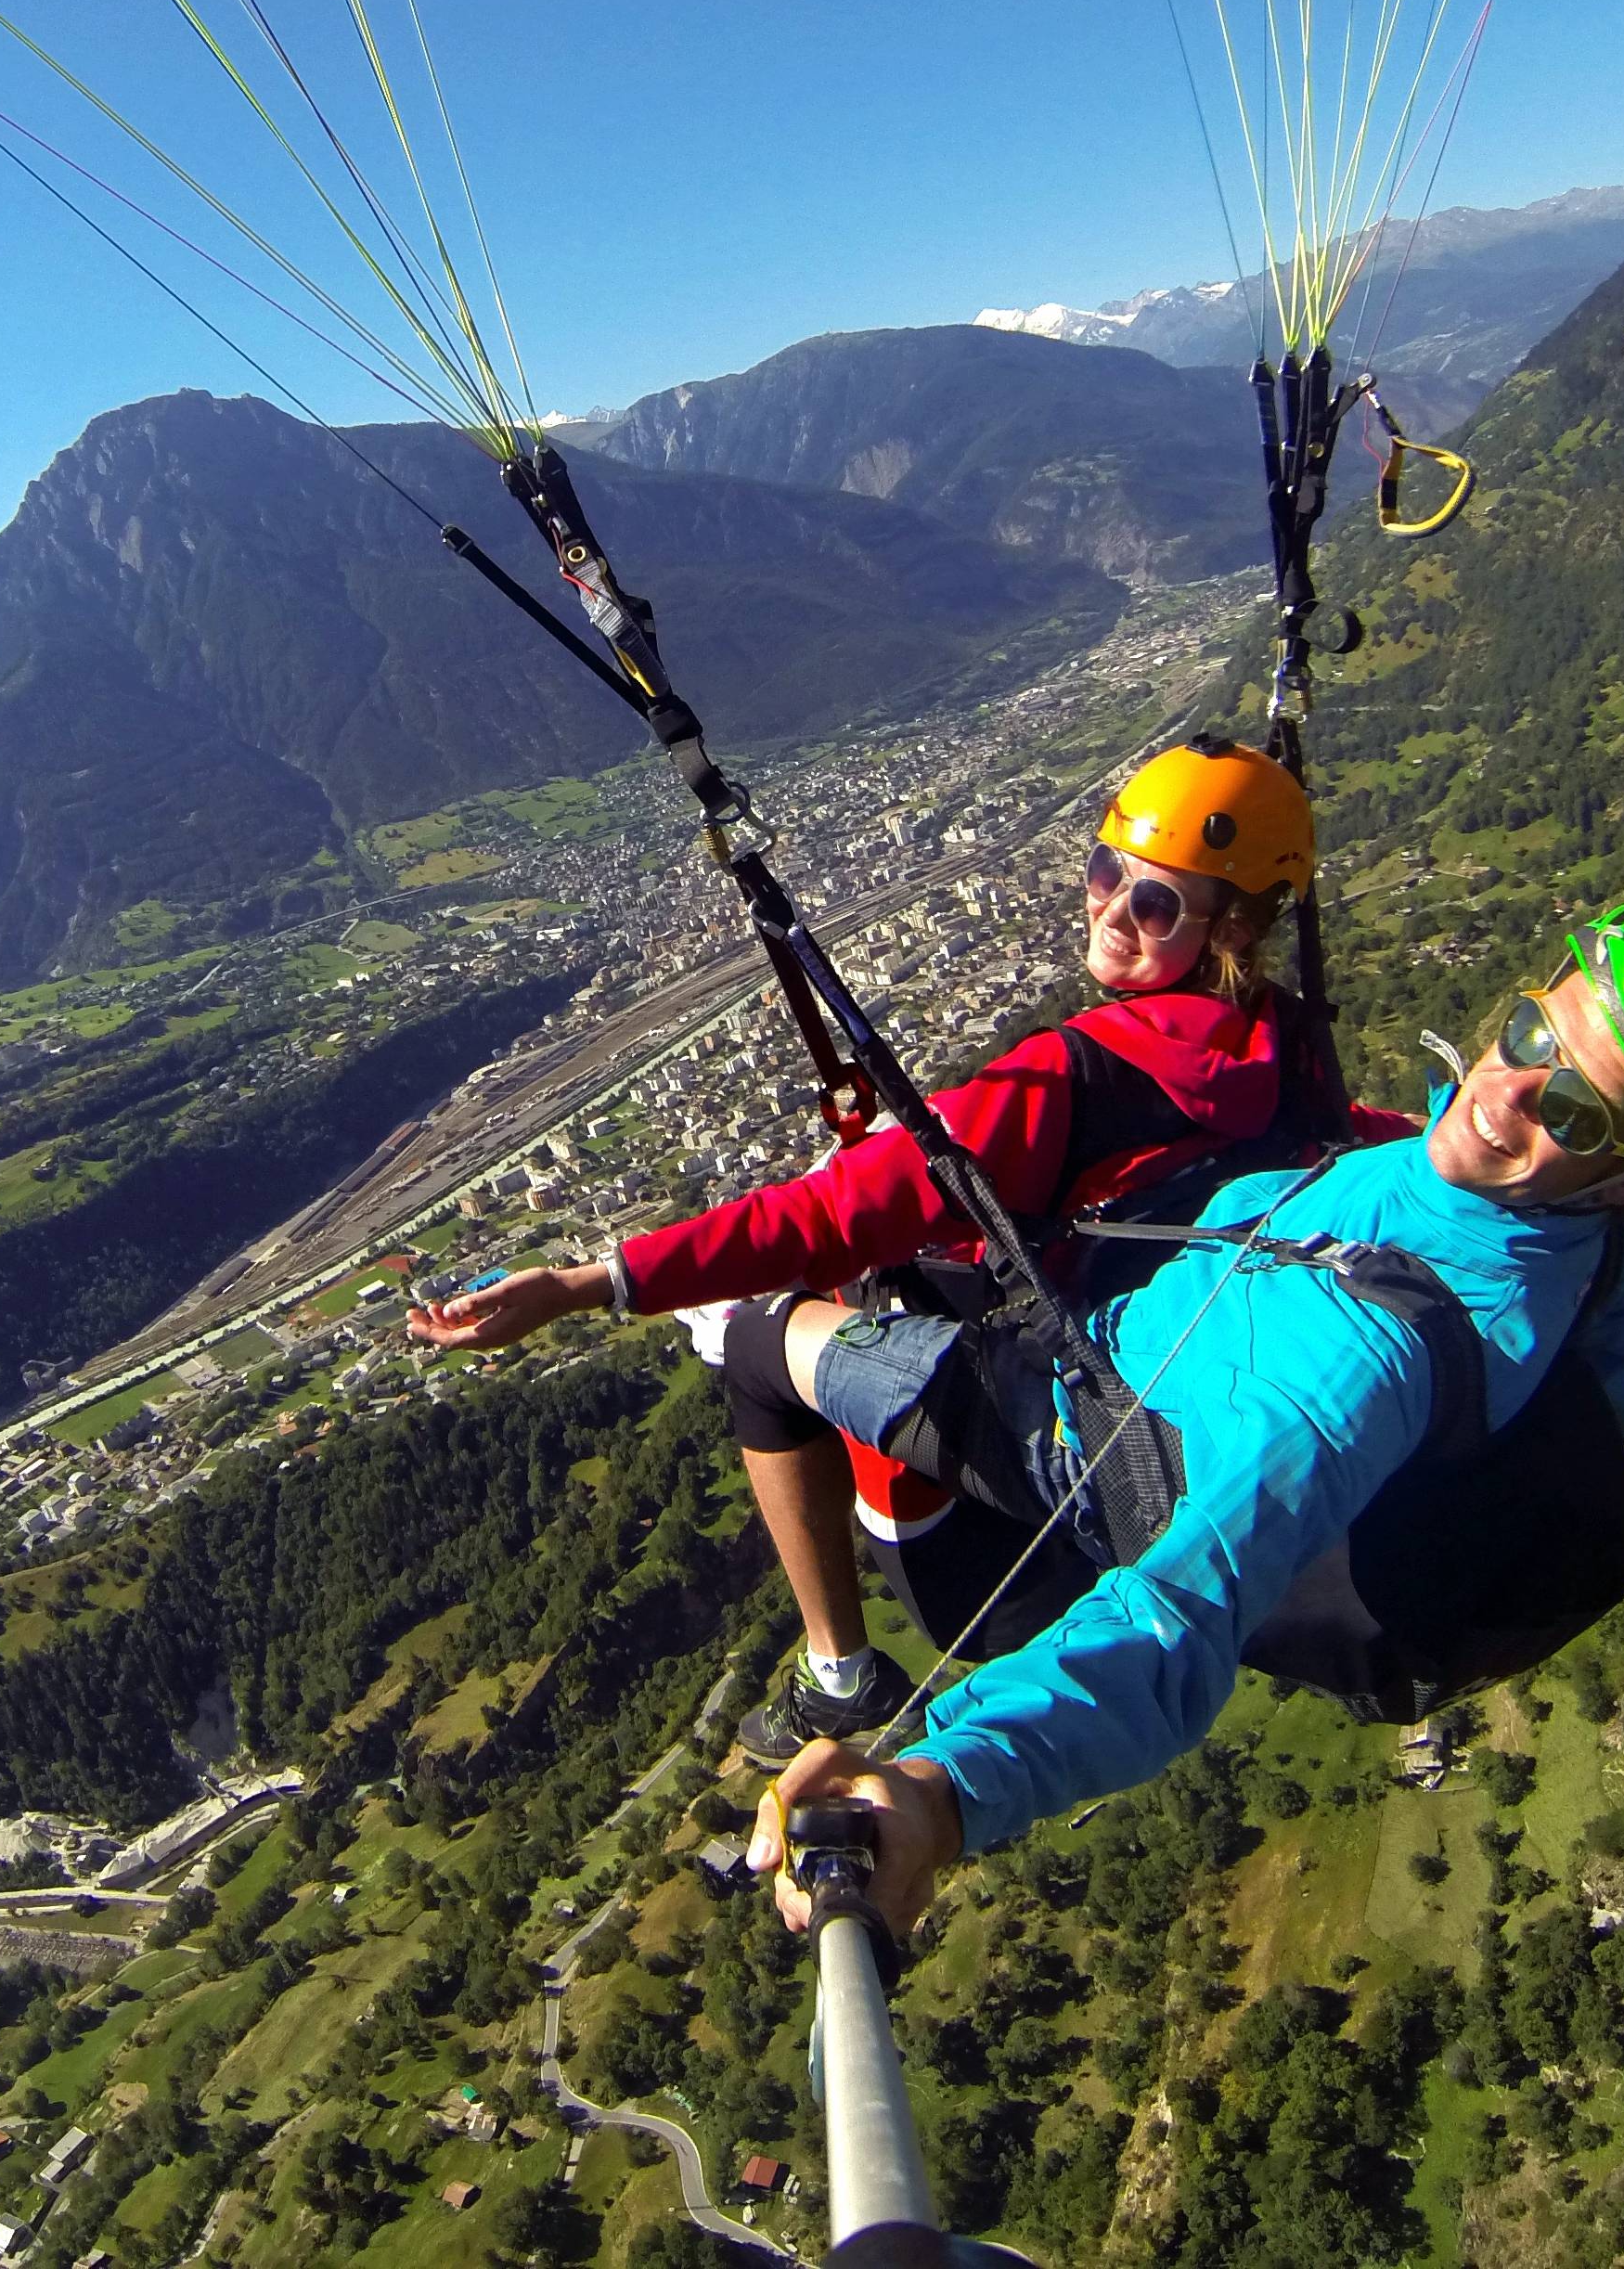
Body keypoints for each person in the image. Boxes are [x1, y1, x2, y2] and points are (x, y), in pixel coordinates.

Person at [739, 896, 1624, 1943]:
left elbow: (1170, 1630)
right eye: (1534, 1031)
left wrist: (940, 1790)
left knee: (755, 1339)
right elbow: (1620, 1394)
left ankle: (837, 1669)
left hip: (1078, 1433)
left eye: (1573, 1112)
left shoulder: (1351, 1370)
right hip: (1137, 1337)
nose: (1508, 1091)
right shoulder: (1590, 1241)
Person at [409, 734, 1398, 1759]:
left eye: (1154, 903)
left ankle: (839, 1676)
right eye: (1107, 873)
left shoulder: (1066, 1080)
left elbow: (822, 1217)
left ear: (1230, 924)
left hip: (1014, 1551)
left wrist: (591, 1283)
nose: (1109, 910)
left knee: (754, 1339)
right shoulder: (1287, 1045)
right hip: (1193, 1455)